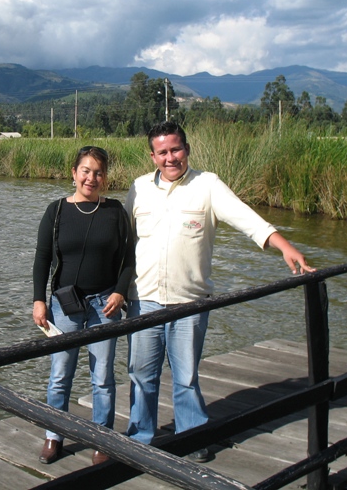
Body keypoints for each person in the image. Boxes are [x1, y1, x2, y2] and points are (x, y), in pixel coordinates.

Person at [124, 121, 315, 462]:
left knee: (185, 376)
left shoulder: (207, 185)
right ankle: (140, 437)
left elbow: (247, 219)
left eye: (176, 149)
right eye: (163, 152)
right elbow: (121, 240)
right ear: (152, 156)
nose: (171, 158)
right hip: (143, 299)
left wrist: (285, 246)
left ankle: (192, 437)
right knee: (141, 375)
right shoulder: (138, 189)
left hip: (190, 302)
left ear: (187, 149)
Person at [32, 146, 135, 466]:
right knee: (60, 374)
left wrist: (120, 293)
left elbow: (130, 258)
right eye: (86, 171)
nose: (92, 178)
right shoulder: (57, 211)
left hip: (106, 304)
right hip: (64, 306)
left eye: (99, 172)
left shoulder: (115, 212)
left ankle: (101, 439)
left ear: (105, 178)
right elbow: (42, 258)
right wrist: (38, 300)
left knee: (102, 376)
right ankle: (54, 436)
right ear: (74, 173)